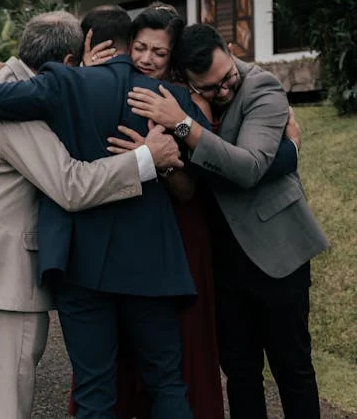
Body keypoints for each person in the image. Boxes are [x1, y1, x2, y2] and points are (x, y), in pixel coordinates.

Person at [0, 11, 183, 419]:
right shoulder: (14, 106)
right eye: (78, 65)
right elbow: (70, 186)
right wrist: (147, 158)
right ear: (66, 63)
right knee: (1, 406)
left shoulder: (4, 83)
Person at [84, 3, 300, 419]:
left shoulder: (194, 100)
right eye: (140, 48)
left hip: (190, 233)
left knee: (193, 351)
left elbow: (226, 170)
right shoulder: (111, 84)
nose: (146, 58)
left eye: (159, 53)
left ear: (174, 62)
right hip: (121, 235)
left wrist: (288, 152)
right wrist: (86, 73)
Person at [125, 23, 330, 419]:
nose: (224, 90)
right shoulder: (177, 96)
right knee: (240, 373)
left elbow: (250, 167)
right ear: (186, 78)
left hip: (276, 251)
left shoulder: (262, 88)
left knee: (294, 371)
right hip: (222, 262)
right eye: (211, 87)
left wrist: (185, 125)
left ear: (231, 50)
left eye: (227, 77)